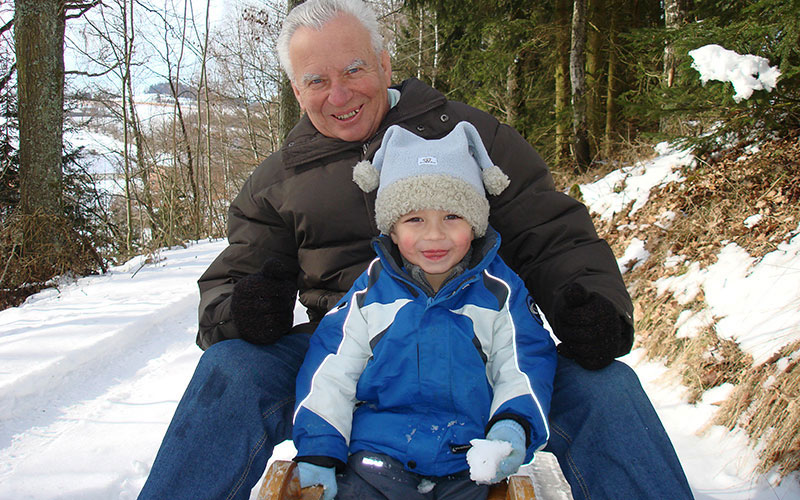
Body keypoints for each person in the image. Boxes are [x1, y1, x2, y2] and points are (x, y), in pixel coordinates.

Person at [138, 1, 694, 499]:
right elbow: (232, 279)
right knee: (230, 368)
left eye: (354, 69)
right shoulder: (278, 180)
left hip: (477, 340)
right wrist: (242, 310)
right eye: (317, 80)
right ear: (297, 89)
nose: (340, 94)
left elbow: (550, 231)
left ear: (383, 63)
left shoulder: (469, 137)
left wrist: (589, 302)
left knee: (608, 386)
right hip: (350, 350)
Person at [292, 121, 557, 500]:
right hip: (375, 456)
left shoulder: (499, 292)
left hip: (469, 459)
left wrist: (512, 427)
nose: (434, 235)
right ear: (393, 230)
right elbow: (332, 369)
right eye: (415, 219)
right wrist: (320, 444)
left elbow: (524, 363)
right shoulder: (370, 293)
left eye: (452, 216)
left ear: (475, 224)